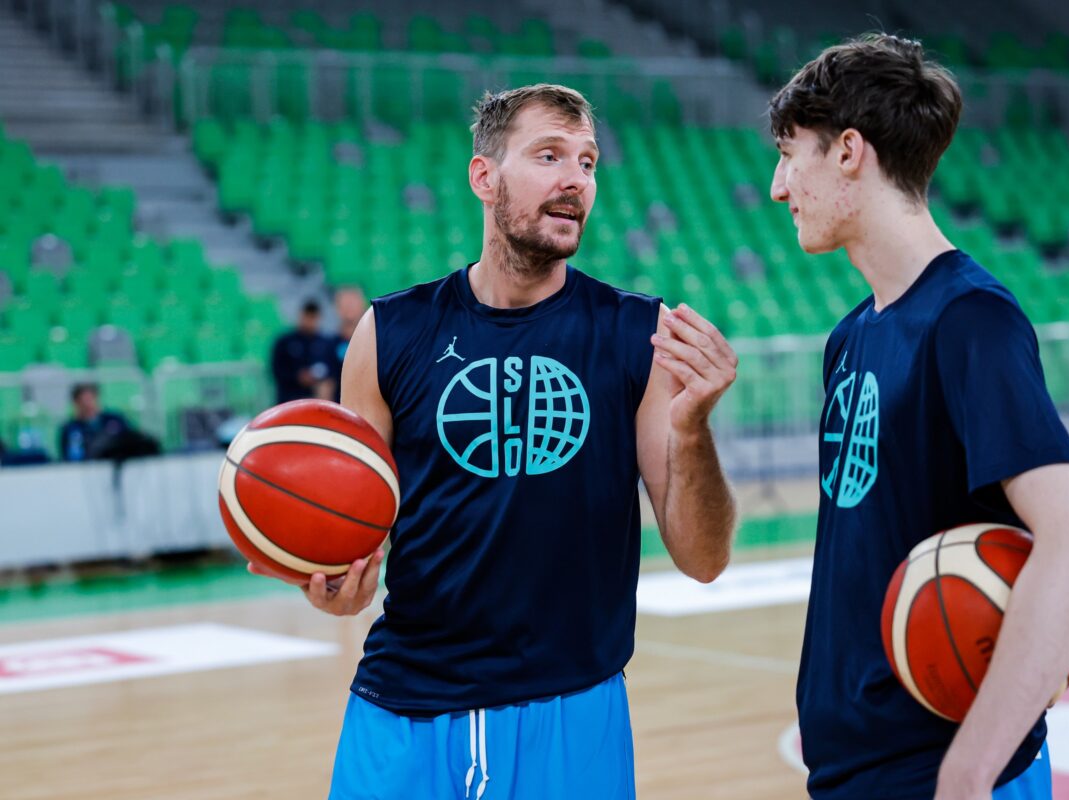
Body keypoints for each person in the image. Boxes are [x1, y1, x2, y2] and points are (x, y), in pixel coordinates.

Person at [249, 84, 739, 799]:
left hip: (572, 709)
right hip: (404, 707)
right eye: (549, 155)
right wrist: (334, 587)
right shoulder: (390, 333)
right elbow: (357, 546)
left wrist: (693, 430)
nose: (576, 179)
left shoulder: (638, 333)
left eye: (588, 161)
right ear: (484, 176)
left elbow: (703, 558)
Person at [766, 34, 1069, 800]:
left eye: (789, 156)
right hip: (853, 770)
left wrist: (969, 771)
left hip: (941, 774)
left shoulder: (970, 320)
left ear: (849, 151)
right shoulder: (850, 337)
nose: (777, 186)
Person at [270, 299, 338, 403]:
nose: (310, 321)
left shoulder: (327, 344)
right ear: (300, 315)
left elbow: (333, 372)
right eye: (307, 316)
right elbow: (277, 370)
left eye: (313, 317)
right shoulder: (285, 342)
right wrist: (298, 377)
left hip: (318, 400)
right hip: (290, 399)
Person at [59, 382, 131, 461]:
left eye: (90, 399)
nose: (88, 404)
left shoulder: (115, 420)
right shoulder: (70, 428)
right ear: (76, 403)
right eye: (83, 400)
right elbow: (69, 456)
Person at [329, 285, 367, 396]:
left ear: (363, 305)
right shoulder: (328, 345)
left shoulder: (377, 342)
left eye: (353, 303)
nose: (349, 308)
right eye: (345, 304)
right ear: (337, 308)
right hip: (340, 405)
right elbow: (326, 384)